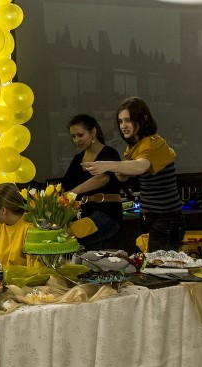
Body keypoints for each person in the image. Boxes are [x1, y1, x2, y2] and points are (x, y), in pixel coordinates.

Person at [84, 97, 185, 251]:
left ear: (143, 119)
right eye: (120, 121)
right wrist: (119, 168)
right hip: (148, 216)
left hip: (166, 217)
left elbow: (140, 167)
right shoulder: (133, 147)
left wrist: (107, 165)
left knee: (159, 268)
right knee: (147, 265)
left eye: (128, 120)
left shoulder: (154, 143)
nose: (123, 126)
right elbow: (122, 176)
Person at [60, 114, 123, 249]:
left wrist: (74, 192)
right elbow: (64, 186)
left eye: (80, 135)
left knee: (67, 237)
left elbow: (102, 178)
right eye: (73, 137)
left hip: (106, 214)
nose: (76, 140)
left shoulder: (109, 153)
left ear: (93, 132)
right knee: (89, 256)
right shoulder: (77, 159)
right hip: (83, 215)